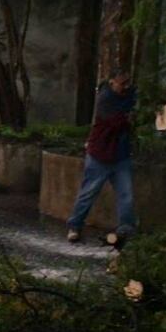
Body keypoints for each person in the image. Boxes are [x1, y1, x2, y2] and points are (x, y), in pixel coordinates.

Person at [66, 71, 136, 247]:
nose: (125, 87)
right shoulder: (105, 99)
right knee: (88, 193)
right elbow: (118, 121)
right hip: (100, 155)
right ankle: (74, 225)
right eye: (122, 83)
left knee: (126, 195)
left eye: (127, 83)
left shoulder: (130, 96)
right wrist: (131, 118)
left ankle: (126, 229)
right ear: (112, 82)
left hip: (120, 156)